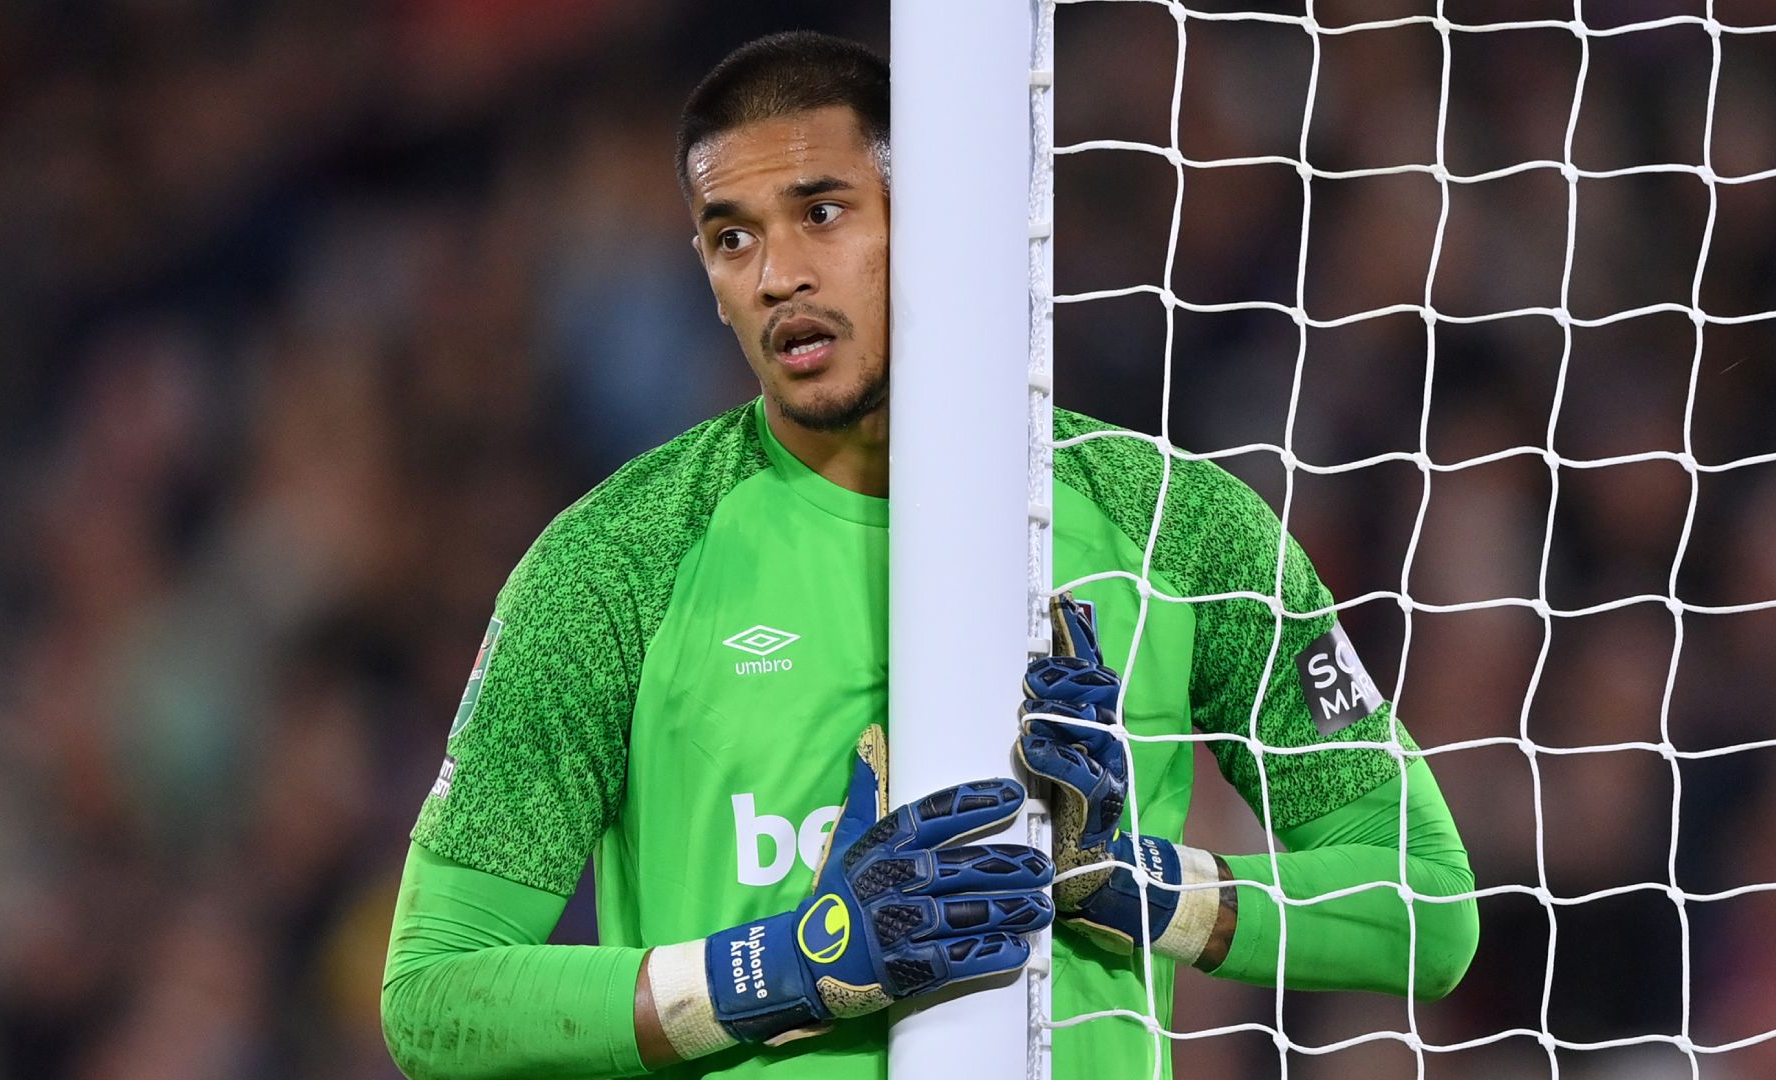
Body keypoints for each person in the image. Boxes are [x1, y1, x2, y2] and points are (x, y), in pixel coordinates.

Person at [380, 30, 1478, 1080]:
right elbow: (434, 1000)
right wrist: (782, 970)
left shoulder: (1170, 526)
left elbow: (1429, 910)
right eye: (733, 236)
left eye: (821, 212)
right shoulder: (617, 562)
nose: (776, 277)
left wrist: (1137, 884)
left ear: (931, 218)